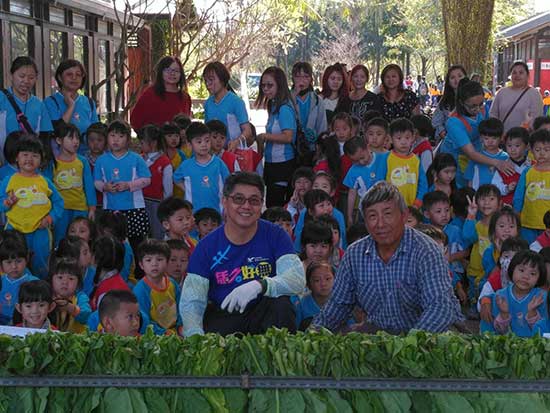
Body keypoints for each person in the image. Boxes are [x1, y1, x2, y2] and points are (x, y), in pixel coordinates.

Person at [312, 181, 462, 333]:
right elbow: (338, 305)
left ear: (404, 216)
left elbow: (440, 307)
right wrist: (313, 334)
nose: (380, 223)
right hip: (380, 334)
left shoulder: (426, 251)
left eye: (388, 214)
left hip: (429, 336)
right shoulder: (354, 254)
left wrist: (408, 346)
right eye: (372, 216)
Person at [179, 172, 305, 336]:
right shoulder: (205, 247)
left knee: (282, 305)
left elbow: (296, 280)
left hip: (266, 310)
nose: (246, 206)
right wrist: (195, 338)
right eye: (238, 199)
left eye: (254, 200)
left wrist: (261, 285)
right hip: (225, 314)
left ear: (261, 205)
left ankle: (279, 359)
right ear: (225, 201)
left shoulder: (276, 235)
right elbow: (192, 303)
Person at [0, 136, 64, 278]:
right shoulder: (9, 180)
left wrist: (50, 218)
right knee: (13, 264)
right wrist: (6, 204)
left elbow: (59, 203)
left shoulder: (45, 182)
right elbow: (0, 202)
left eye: (35, 155)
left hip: (40, 231)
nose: (29, 159)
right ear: (17, 157)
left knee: (40, 264)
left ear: (41, 160)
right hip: (14, 231)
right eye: (25, 155)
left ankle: (39, 291)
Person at [439, 78, 514, 187]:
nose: (478, 109)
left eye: (481, 104)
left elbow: (491, 131)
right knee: (462, 188)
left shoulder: (483, 110)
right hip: (456, 159)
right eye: (473, 106)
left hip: (480, 155)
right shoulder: (454, 122)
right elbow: (471, 153)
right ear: (461, 103)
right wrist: (497, 163)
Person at [93, 120, 152, 257]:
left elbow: (147, 179)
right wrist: (105, 187)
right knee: (113, 245)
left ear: (127, 139)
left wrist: (128, 185)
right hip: (111, 209)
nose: (116, 140)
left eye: (120, 136)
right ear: (107, 138)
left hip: (134, 209)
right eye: (112, 136)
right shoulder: (101, 160)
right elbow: (96, 182)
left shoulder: (136, 158)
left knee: (137, 244)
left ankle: (138, 272)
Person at [44, 122, 96, 246]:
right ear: (58, 140)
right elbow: (46, 189)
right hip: (60, 210)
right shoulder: (52, 163)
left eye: (77, 138)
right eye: (70, 138)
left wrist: (92, 208)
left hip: (80, 208)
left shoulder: (82, 161)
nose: (75, 141)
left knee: (81, 240)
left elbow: (89, 186)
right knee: (60, 240)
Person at [255, 67, 297, 207]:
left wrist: (265, 136)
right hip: (272, 163)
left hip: (283, 164)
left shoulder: (284, 108)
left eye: (270, 85)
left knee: (277, 205)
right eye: (263, 85)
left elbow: (288, 137)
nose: (266, 89)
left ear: (280, 84)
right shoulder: (272, 105)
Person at [0, 56, 53, 164]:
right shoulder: (1, 98)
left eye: (31, 77)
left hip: (29, 167)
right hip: (3, 165)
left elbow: (45, 137)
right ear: (11, 75)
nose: (26, 81)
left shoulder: (39, 105)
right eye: (21, 76)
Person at [173, 122, 230, 213]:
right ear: (189, 145)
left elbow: (229, 183)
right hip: (193, 213)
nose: (204, 145)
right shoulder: (186, 166)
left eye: (207, 140)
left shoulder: (218, 163)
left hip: (217, 212)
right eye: (199, 142)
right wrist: (188, 188)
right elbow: (176, 179)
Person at [44, 59, 98, 153]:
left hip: (86, 159)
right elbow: (57, 132)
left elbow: (96, 134)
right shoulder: (50, 102)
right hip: (60, 160)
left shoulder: (89, 102)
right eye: (69, 74)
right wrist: (71, 106)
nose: (74, 78)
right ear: (60, 77)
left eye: (78, 75)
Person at [133, 239, 182, 335]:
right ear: (141, 265)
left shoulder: (172, 284)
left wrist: (180, 326)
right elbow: (143, 322)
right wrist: (163, 333)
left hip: (175, 331)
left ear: (167, 262)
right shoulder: (140, 291)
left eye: (159, 259)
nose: (154, 264)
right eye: (148, 260)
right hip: (154, 337)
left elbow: (181, 307)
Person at [130, 56, 192, 131]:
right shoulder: (150, 94)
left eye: (176, 70)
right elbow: (135, 121)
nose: (172, 73)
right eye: (168, 70)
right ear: (161, 72)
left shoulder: (185, 97)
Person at [203, 61, 253, 150]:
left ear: (222, 80)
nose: (208, 84)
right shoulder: (208, 104)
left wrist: (236, 142)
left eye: (211, 79)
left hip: (233, 154)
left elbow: (247, 131)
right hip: (214, 154)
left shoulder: (236, 102)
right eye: (205, 80)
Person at [513, 129, 550, 244]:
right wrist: (517, 216)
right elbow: (519, 196)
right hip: (527, 224)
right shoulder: (527, 172)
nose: (542, 153)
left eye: (546, 150)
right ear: (531, 151)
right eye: (538, 150)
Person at [137, 124, 173, 240]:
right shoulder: (139, 159)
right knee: (142, 234)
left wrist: (165, 206)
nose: (140, 145)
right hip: (140, 202)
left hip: (157, 203)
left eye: (142, 143)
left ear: (152, 143)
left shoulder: (164, 162)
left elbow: (168, 190)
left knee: (158, 234)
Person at [490, 61, 543, 132]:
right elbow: (493, 114)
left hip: (524, 139)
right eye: (514, 73)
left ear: (527, 75)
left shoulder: (534, 94)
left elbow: (537, 120)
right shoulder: (501, 92)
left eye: (521, 73)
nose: (517, 75)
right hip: (502, 138)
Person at [385, 118, 428, 207]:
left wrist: (418, 202)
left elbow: (423, 183)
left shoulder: (416, 160)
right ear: (391, 139)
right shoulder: (386, 158)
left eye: (407, 137)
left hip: (412, 207)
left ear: (413, 138)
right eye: (399, 138)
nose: (403, 142)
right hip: (389, 206)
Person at [0, 231, 38, 325]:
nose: (14, 266)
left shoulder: (34, 283)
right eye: (8, 262)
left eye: (18, 261)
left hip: (25, 322)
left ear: (27, 259)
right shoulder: (1, 280)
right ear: (1, 264)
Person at [464, 118, 509, 190]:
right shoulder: (476, 157)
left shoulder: (506, 157)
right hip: (479, 196)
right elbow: (470, 180)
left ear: (501, 138)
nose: (490, 141)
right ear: (481, 138)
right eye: (486, 138)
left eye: (494, 138)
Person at [49, 257, 91, 333]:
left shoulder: (80, 297)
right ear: (51, 279)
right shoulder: (47, 296)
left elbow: (86, 316)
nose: (64, 282)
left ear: (78, 283)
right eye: (60, 277)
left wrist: (69, 307)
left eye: (71, 278)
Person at [492, 127, 530, 205]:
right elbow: (495, 187)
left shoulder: (533, 165)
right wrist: (507, 188)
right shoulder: (502, 166)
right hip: (508, 209)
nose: (512, 149)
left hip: (529, 208)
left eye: (517, 146)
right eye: (509, 146)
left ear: (527, 146)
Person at [291, 62, 327, 138]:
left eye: (306, 77)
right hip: (290, 145)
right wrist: (293, 95)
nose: (302, 80)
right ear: (292, 78)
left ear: (311, 79)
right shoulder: (286, 99)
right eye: (297, 76)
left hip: (311, 145)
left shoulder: (317, 100)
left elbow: (322, 126)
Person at [432, 65, 467, 143]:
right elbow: (436, 121)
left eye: (460, 76)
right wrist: (441, 131)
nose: (456, 80)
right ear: (448, 81)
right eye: (452, 77)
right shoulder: (445, 100)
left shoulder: (473, 98)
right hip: (450, 141)